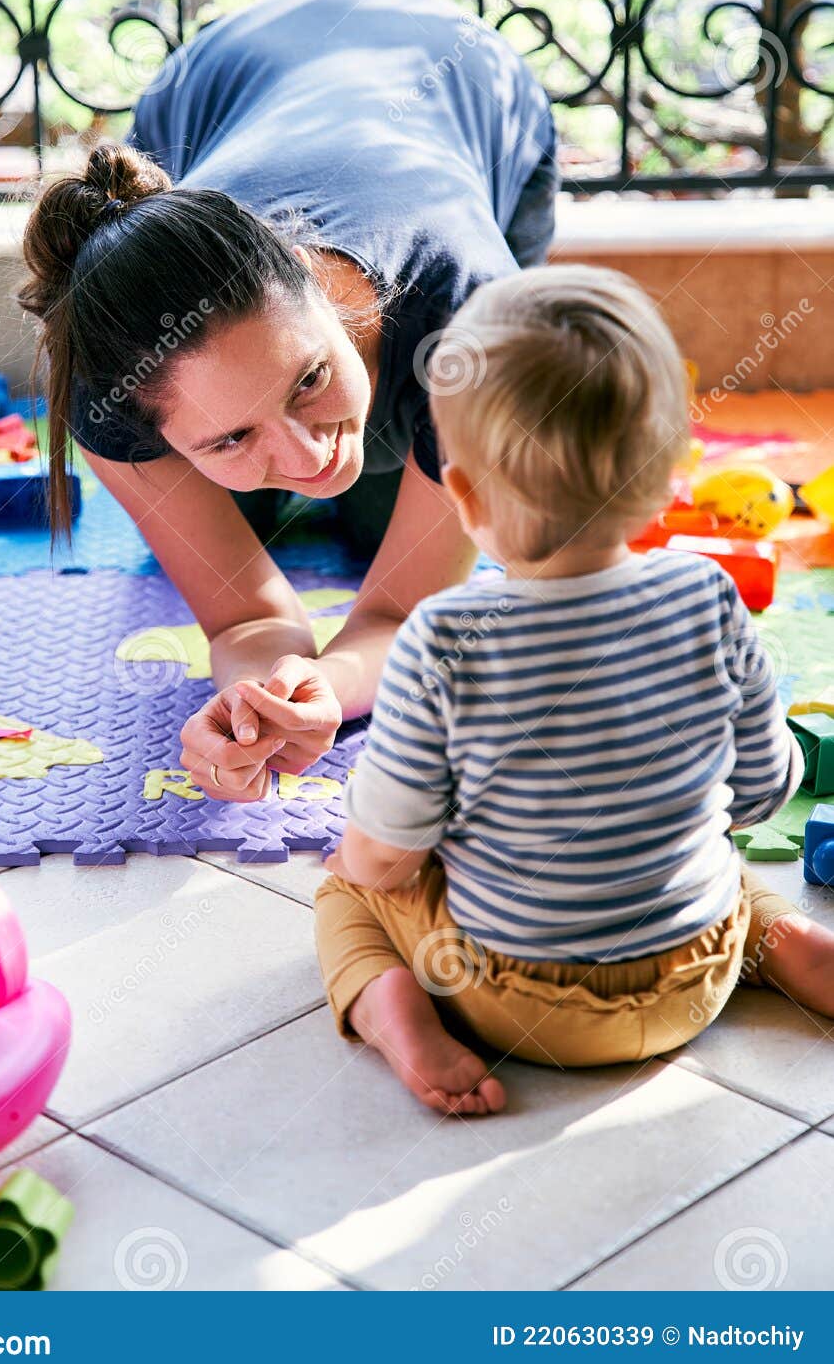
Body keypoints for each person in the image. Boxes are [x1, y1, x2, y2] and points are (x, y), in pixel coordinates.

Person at [18, 0, 559, 801]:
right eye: (227, 436)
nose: (311, 452)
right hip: (231, 76)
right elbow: (245, 623)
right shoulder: (108, 392)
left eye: (308, 378)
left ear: (309, 277)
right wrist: (263, 704)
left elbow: (397, 616)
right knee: (269, 504)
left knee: (395, 497)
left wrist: (335, 682)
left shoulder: (476, 328)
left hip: (461, 68)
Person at [315, 265, 834, 1115]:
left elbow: (386, 852)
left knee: (346, 892)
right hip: (697, 970)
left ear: (465, 495)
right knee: (725, 866)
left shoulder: (442, 639)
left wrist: (377, 853)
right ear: (671, 474)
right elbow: (757, 794)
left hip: (518, 1006)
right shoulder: (706, 596)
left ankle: (398, 1017)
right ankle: (791, 946)